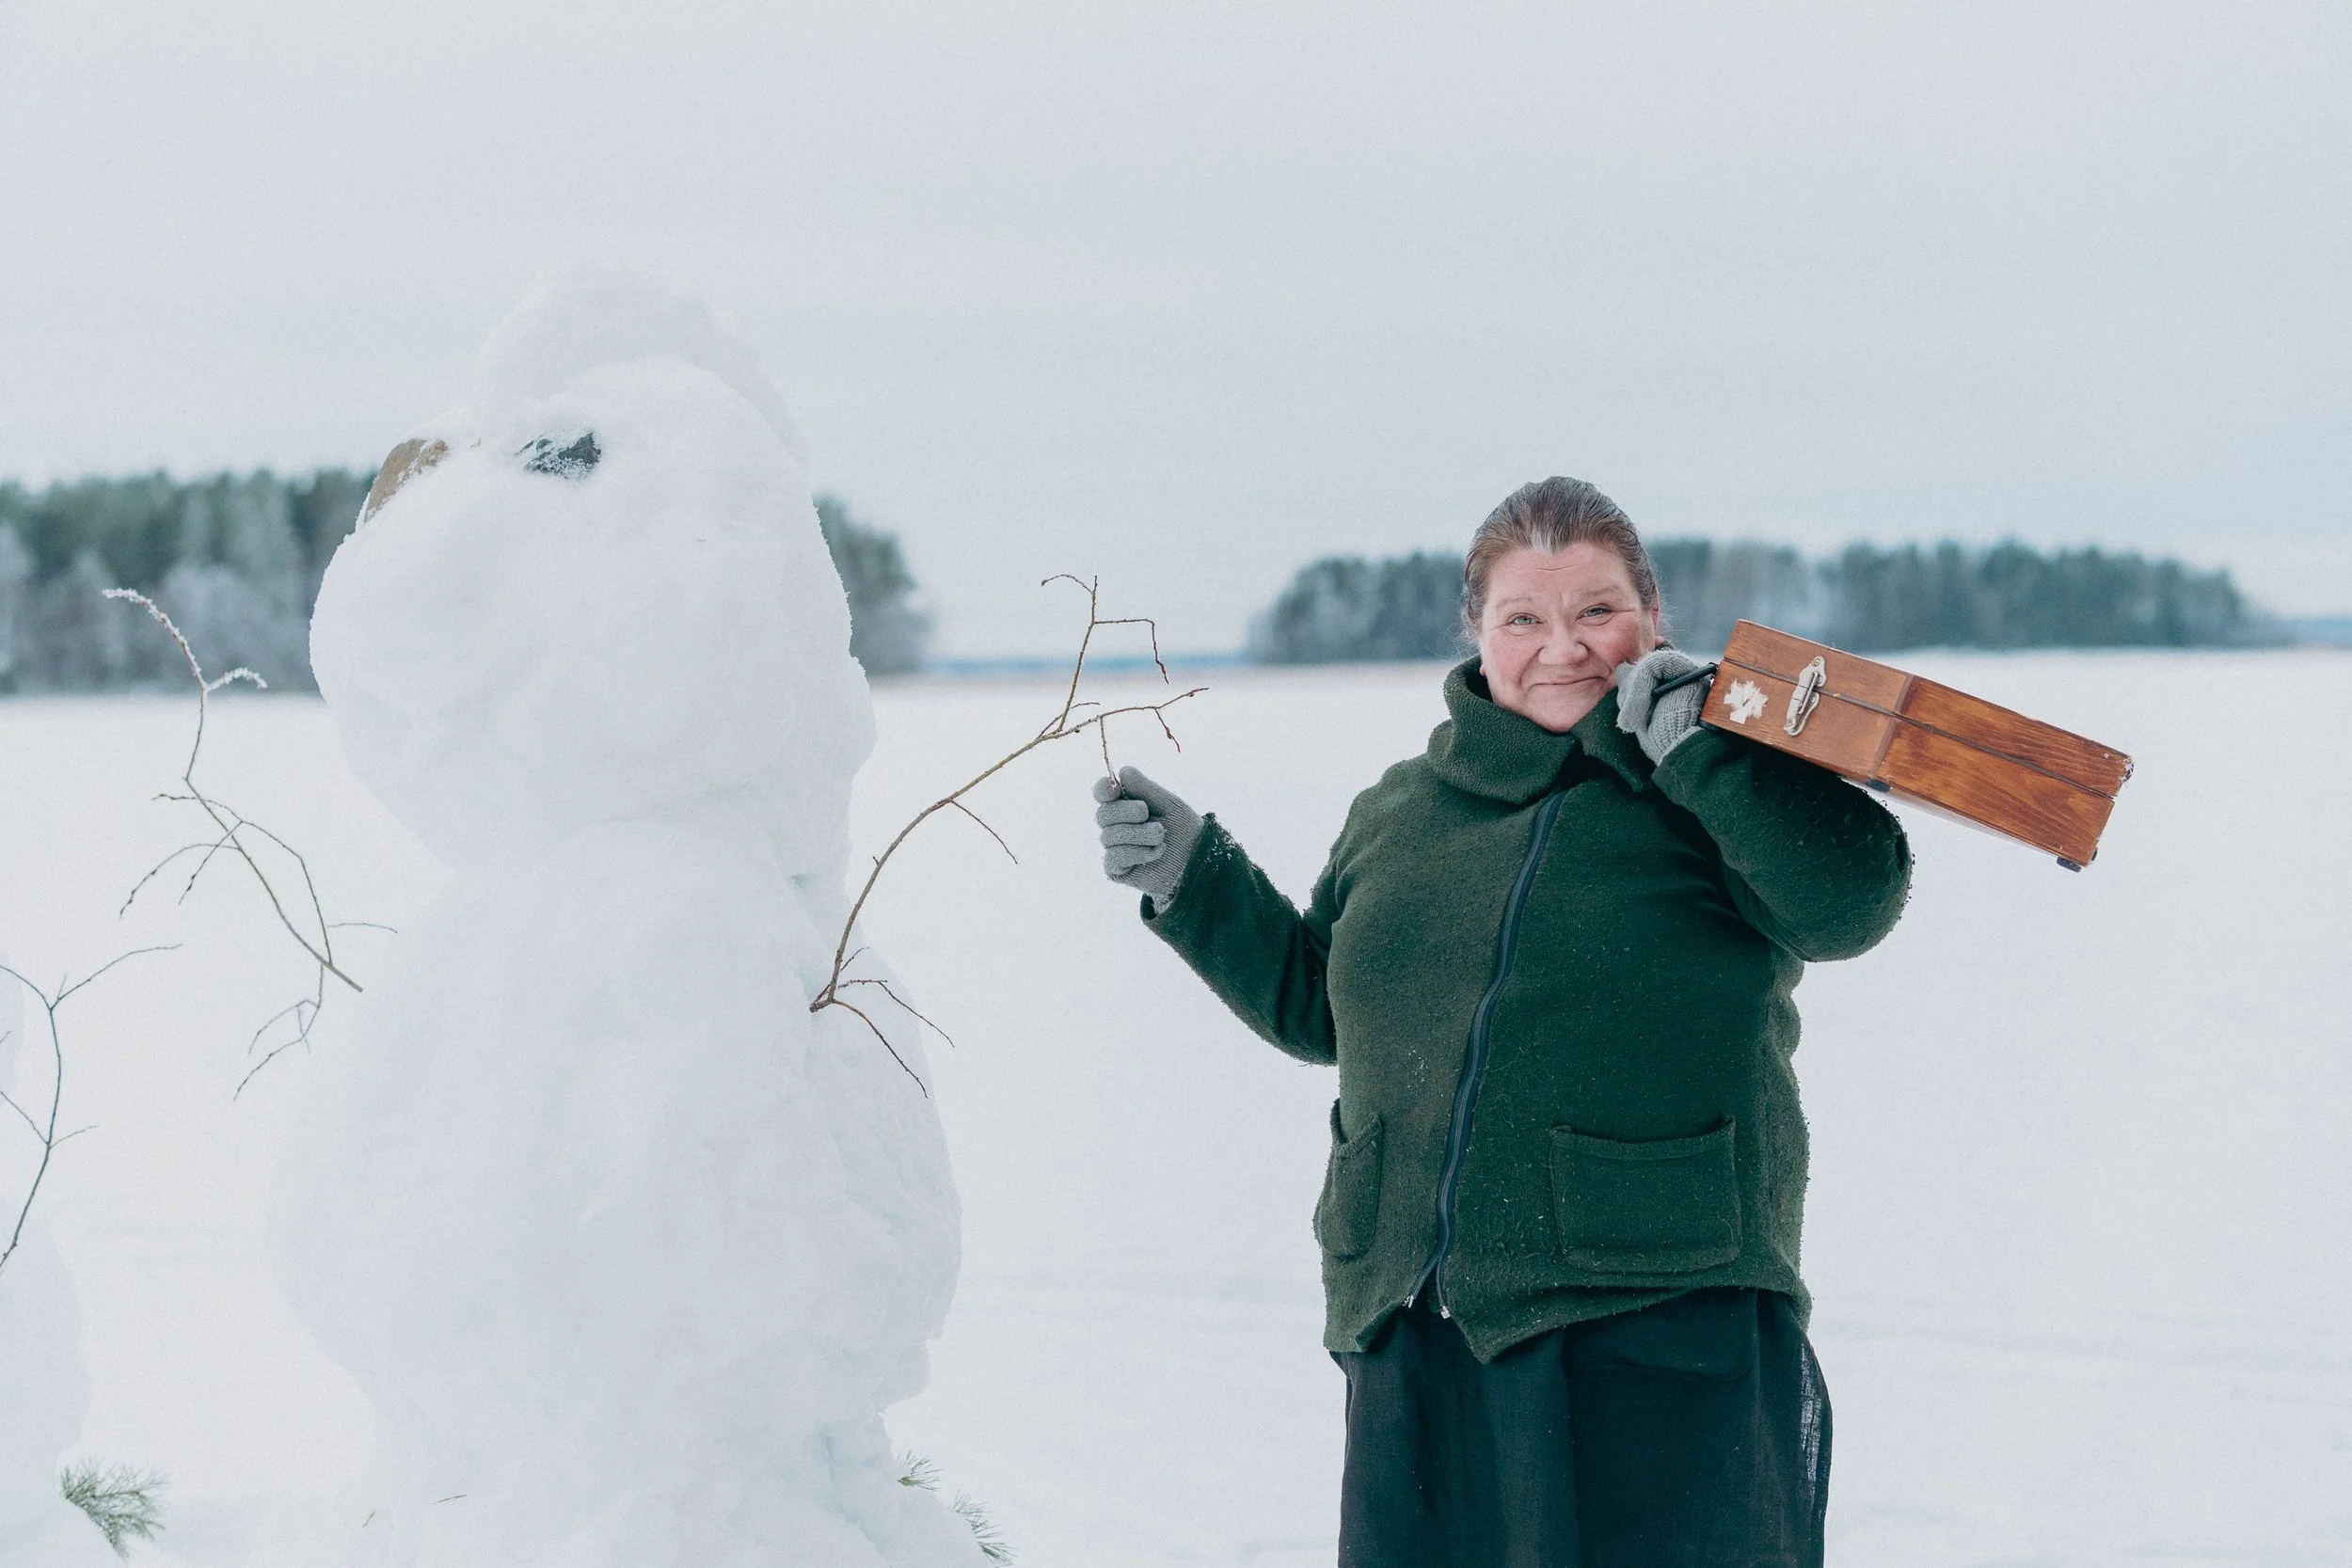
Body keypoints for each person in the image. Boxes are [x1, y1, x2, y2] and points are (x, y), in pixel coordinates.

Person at [1089, 477, 1912, 1567]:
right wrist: (1196, 881)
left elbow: (1849, 904)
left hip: (1658, 1319)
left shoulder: (1717, 783)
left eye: (1596, 611)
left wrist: (1707, 755)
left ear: (1652, 619)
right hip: (1418, 1323)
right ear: (1476, 631)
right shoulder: (1403, 808)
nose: (1562, 647)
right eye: (1523, 617)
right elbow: (1322, 1007)